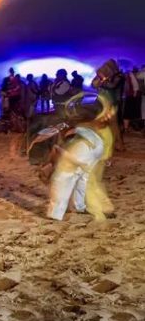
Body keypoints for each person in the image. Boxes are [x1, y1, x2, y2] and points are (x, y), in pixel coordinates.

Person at [41, 93, 117, 222]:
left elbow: (60, 132)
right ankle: (70, 209)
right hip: (90, 151)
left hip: (87, 152)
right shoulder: (89, 123)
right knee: (77, 180)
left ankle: (64, 211)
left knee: (70, 180)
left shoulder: (83, 123)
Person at [92, 59, 126, 152]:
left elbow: (111, 86)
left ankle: (120, 144)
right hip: (101, 102)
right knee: (103, 124)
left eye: (107, 67)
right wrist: (99, 78)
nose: (105, 69)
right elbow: (93, 85)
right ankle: (110, 143)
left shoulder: (119, 76)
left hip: (111, 103)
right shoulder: (103, 77)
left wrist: (103, 79)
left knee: (113, 125)